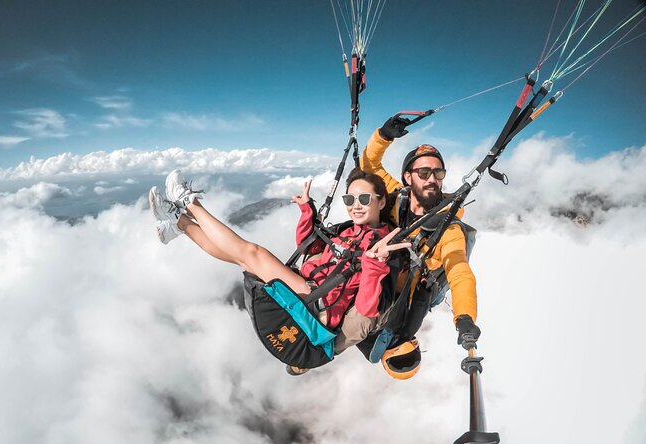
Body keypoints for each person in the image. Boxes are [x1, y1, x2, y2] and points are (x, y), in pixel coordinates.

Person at [147, 168, 410, 375]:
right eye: (350, 198)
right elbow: (311, 246)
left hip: (317, 305)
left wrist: (375, 265)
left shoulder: (385, 246)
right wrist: (307, 211)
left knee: (252, 254)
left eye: (364, 199)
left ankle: (189, 204)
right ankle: (178, 223)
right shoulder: (348, 229)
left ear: (381, 201)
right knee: (242, 259)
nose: (356, 205)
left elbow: (368, 309)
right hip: (308, 287)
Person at [358, 114, 480, 367]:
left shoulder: (447, 227)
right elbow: (370, 167)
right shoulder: (398, 196)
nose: (432, 178)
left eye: (438, 172)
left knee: (396, 332)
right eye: (423, 172)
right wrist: (383, 136)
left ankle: (399, 350)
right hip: (383, 273)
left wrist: (465, 317)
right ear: (407, 177)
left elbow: (459, 269)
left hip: (412, 291)